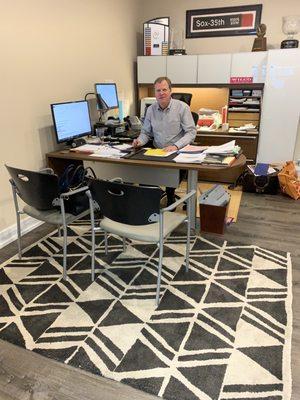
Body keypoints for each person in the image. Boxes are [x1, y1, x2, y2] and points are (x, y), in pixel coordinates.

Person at [132, 76, 196, 205]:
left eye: (164, 90)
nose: (161, 93)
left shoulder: (182, 107)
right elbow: (146, 133)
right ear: (155, 93)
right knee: (142, 174)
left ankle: (170, 197)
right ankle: (150, 203)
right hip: (158, 152)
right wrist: (139, 141)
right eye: (158, 90)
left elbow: (191, 132)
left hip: (177, 153)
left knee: (169, 178)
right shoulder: (150, 109)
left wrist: (176, 146)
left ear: (170, 91)